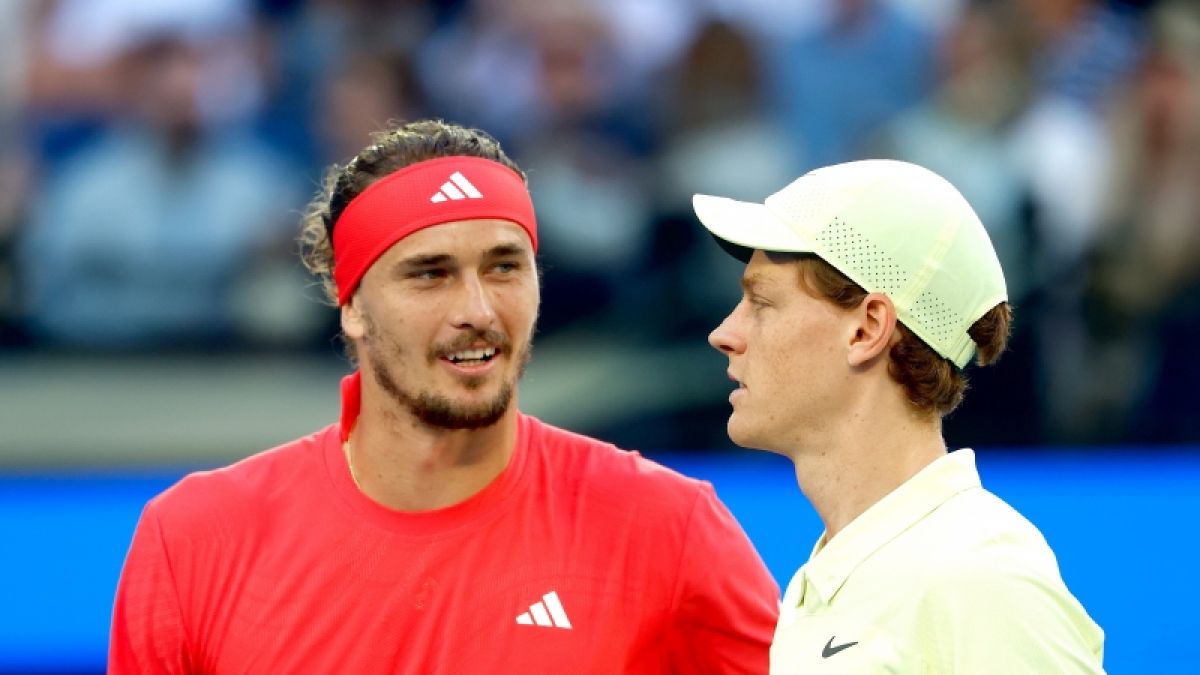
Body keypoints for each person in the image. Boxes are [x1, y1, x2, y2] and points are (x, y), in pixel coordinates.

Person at [109, 119, 779, 673]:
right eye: (430, 274)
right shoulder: (194, 539)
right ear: (353, 308)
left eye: (505, 266)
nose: (479, 309)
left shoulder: (668, 528)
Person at [692, 159, 1105, 673]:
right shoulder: (835, 577)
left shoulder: (979, 575)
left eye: (762, 302)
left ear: (867, 329)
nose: (726, 333)